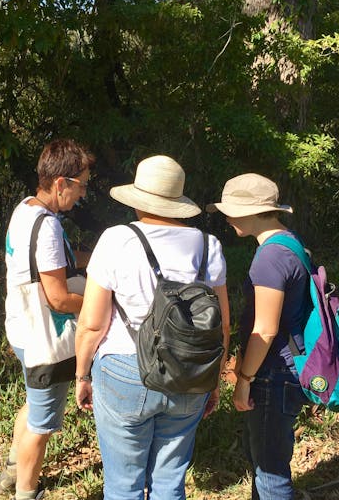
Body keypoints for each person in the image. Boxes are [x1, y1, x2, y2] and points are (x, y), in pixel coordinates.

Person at [74, 155, 230, 500]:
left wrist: (82, 375)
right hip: (191, 372)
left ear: (137, 199)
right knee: (169, 482)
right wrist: (213, 380)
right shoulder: (209, 246)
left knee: (123, 485)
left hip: (124, 369)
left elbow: (91, 324)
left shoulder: (116, 240)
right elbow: (221, 327)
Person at [0, 139, 95, 500]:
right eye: (81, 185)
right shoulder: (50, 227)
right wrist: (97, 305)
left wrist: (94, 256)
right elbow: (57, 297)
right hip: (46, 340)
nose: (82, 194)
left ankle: (10, 471)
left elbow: (51, 266)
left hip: (22, 329)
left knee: (32, 403)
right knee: (42, 424)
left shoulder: (26, 210)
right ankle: (26, 492)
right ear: (60, 184)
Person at [206, 173, 310, 500]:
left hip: (273, 375)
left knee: (270, 473)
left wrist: (244, 379)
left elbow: (265, 329)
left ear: (251, 211)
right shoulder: (291, 243)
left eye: (231, 210)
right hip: (291, 366)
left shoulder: (270, 257)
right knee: (268, 460)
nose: (226, 217)